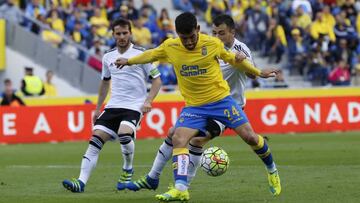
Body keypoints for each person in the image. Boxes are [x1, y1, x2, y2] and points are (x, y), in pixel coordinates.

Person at [115, 12, 281, 201]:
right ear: (177, 34)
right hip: (195, 107)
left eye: (192, 37)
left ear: (198, 30)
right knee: (178, 137)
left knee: (251, 137)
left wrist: (260, 73)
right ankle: (180, 188)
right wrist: (128, 61)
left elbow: (235, 60)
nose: (189, 42)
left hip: (222, 101)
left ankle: (272, 170)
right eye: (184, 38)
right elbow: (150, 54)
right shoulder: (171, 47)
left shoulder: (212, 44)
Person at [62, 18, 162, 193]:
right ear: (113, 35)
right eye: (118, 33)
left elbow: (157, 81)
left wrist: (148, 101)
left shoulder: (142, 54)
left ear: (130, 33)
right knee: (95, 140)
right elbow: (105, 83)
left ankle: (127, 169)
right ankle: (80, 182)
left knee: (124, 134)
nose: (122, 36)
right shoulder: (108, 56)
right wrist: (98, 107)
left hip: (134, 106)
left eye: (125, 33)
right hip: (113, 106)